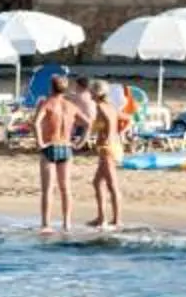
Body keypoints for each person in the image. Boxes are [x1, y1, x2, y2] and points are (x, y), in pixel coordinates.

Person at [32, 78, 84, 231]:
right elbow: (87, 122)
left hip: (51, 146)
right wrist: (80, 142)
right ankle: (67, 223)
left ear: (51, 87)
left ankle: (46, 224)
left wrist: (40, 142)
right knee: (65, 188)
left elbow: (36, 123)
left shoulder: (47, 103)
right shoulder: (71, 106)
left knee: (48, 189)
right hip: (66, 147)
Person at [86, 77, 130, 230]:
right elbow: (128, 119)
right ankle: (102, 217)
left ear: (97, 93)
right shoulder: (110, 106)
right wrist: (119, 132)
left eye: (91, 91)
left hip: (107, 148)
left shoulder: (100, 107)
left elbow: (100, 126)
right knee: (98, 182)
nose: (89, 94)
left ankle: (116, 220)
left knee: (112, 185)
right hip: (113, 145)